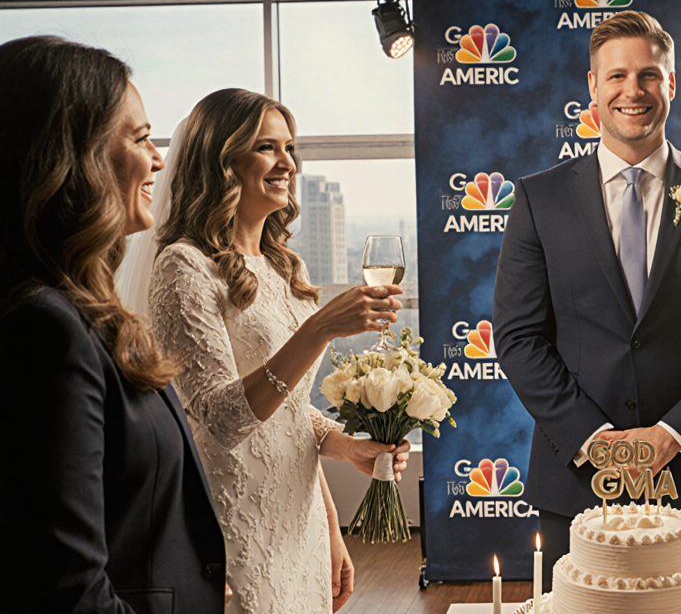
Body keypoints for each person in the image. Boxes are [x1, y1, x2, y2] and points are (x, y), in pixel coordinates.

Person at [493, 11, 681, 589]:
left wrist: (669, 437)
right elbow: (519, 338)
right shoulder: (537, 199)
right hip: (575, 477)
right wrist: (598, 443)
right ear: (592, 88)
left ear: (672, 83)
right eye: (616, 76)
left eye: (649, 75)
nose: (633, 90)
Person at [147, 88, 410, 613]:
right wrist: (317, 331)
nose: (287, 162)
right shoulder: (183, 269)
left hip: (301, 518)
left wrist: (344, 451)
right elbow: (222, 418)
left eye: (289, 147)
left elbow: (287, 410)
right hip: (237, 526)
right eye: (267, 147)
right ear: (221, 161)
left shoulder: (285, 268)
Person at [1, 36, 226, 612]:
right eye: (141, 137)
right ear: (71, 154)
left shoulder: (78, 312)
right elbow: (69, 592)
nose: (157, 160)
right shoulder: (43, 329)